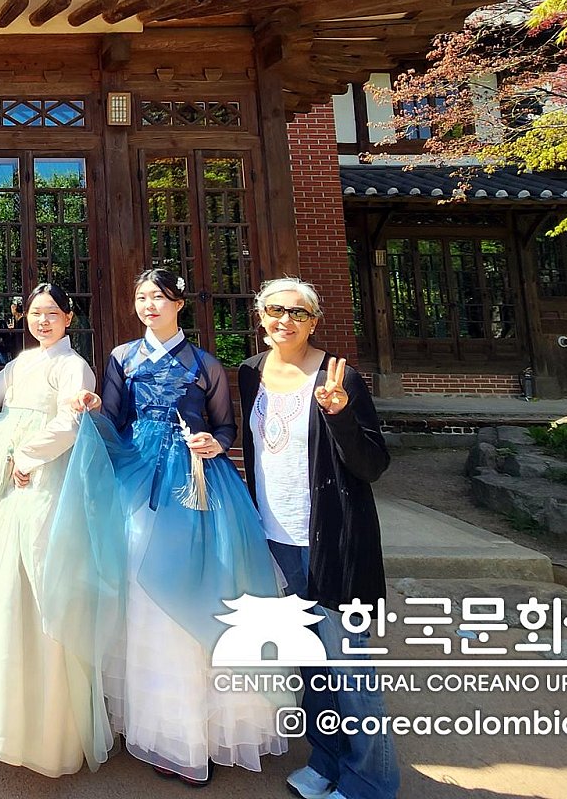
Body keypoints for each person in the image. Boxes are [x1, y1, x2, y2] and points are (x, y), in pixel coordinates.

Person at [88, 268, 291, 786]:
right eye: (142, 297)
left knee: (202, 590)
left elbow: (226, 425)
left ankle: (198, 732)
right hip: (138, 481)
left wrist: (215, 443)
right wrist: (91, 411)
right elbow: (114, 423)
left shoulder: (205, 363)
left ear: (179, 303)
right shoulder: (122, 358)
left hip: (198, 486)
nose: (149, 305)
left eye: (159, 297)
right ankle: (158, 726)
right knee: (144, 599)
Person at [0, 282, 122, 777]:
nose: (43, 321)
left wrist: (27, 455)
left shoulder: (73, 365)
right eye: (35, 313)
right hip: (5, 477)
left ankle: (40, 720)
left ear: (69, 318)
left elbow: (70, 424)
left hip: (46, 481)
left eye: (52, 313)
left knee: (34, 578)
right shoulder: (20, 363)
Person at [237, 278, 397, 799]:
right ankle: (327, 761)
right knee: (311, 665)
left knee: (350, 668)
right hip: (275, 540)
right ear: (261, 315)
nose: (285, 320)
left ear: (314, 321)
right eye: (275, 309)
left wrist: (340, 413)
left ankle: (370, 783)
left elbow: (373, 464)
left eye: (298, 313)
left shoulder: (338, 375)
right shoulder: (250, 373)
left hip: (333, 539)